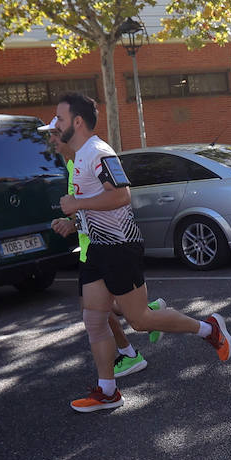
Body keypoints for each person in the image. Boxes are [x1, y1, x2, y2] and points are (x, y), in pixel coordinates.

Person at [52, 93, 231, 412]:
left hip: (121, 246)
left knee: (140, 320)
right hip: (97, 248)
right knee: (94, 319)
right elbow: (98, 207)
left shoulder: (98, 151)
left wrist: (77, 205)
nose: (57, 125)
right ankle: (108, 390)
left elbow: (121, 196)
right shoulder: (78, 157)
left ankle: (209, 330)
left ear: (77, 122)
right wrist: (74, 222)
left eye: (61, 119)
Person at [41, 116, 164, 378]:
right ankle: (132, 348)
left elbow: (115, 198)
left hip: (107, 246)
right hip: (92, 248)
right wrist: (70, 222)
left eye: (54, 133)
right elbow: (84, 211)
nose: (51, 139)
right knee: (98, 312)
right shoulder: (71, 163)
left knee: (99, 312)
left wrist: (73, 219)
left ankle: (138, 346)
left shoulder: (86, 159)